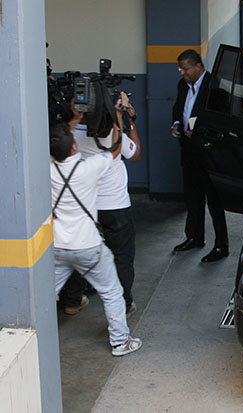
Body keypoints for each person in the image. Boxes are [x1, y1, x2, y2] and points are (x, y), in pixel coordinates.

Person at [50, 115, 142, 356]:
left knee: (45, 293)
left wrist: (75, 118)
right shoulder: (88, 169)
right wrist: (119, 116)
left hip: (57, 246)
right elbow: (115, 149)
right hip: (88, 246)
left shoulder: (47, 167)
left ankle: (29, 336)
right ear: (73, 147)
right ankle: (120, 342)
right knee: (111, 292)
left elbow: (58, 143)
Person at [61, 92, 141, 316]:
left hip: (83, 205)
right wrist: (127, 119)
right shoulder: (113, 134)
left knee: (78, 251)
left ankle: (72, 300)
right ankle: (123, 304)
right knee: (122, 255)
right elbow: (134, 154)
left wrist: (75, 117)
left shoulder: (71, 135)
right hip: (115, 205)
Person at [171, 49, 229, 263]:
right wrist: (177, 124)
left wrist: (198, 129)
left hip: (208, 153)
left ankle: (221, 245)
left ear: (198, 67)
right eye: (180, 69)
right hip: (188, 150)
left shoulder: (215, 87)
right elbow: (178, 108)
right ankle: (194, 237)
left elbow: (220, 117)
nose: (182, 73)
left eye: (185, 68)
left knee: (214, 201)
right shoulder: (182, 85)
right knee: (192, 197)